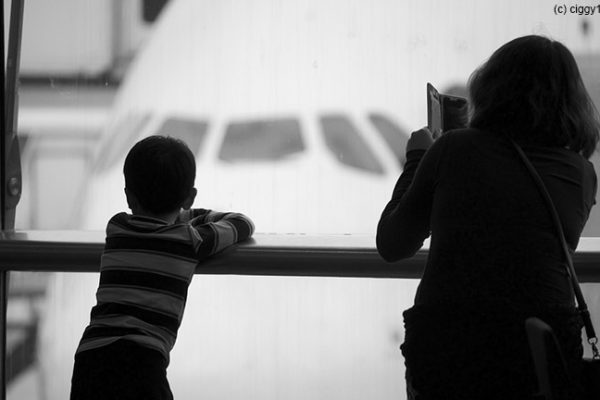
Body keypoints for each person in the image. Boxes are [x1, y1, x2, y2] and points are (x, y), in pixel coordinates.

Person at [377, 35, 599, 400]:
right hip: (542, 348)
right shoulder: (582, 175)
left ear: (492, 88)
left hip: (451, 345)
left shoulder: (453, 148)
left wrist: (418, 157)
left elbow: (393, 243)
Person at [70, 135, 255, 400]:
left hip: (90, 357)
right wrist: (186, 212)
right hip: (143, 361)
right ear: (190, 197)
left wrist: (178, 210)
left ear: (128, 196)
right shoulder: (191, 240)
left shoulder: (117, 226)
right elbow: (241, 223)